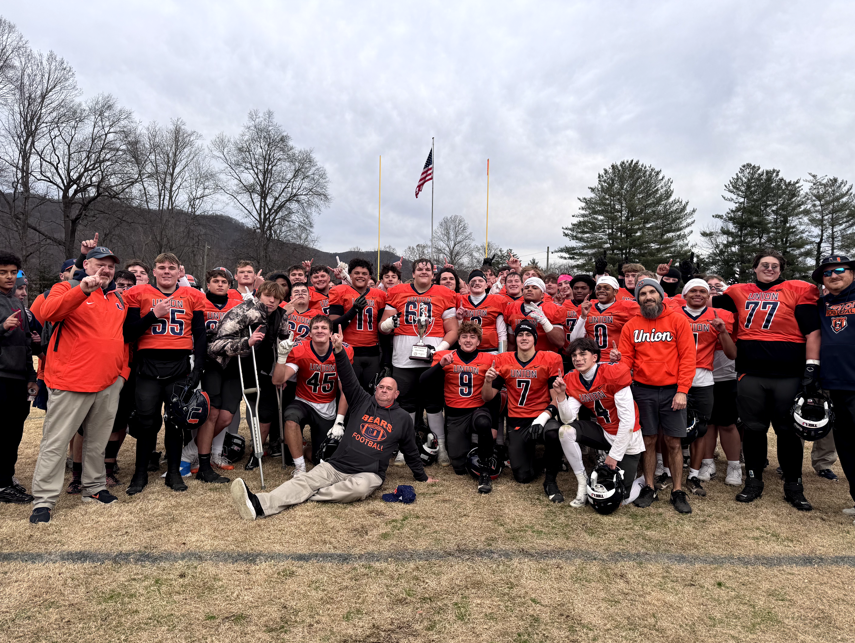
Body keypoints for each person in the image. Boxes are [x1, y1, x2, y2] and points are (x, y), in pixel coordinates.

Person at [230, 330, 436, 520]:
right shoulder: (362, 401)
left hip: (368, 474)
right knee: (304, 480)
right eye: (381, 386)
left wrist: (422, 477)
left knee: (359, 489)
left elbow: (410, 450)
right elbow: (348, 377)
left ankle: (307, 495)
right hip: (338, 465)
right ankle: (259, 504)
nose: (383, 390)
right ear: (376, 389)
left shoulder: (402, 418)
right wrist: (338, 350)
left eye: (389, 388)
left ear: (396, 394)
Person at [712, 250, 820, 510]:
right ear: (755, 268)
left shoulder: (797, 289)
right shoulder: (738, 291)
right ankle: (754, 480)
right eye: (764, 264)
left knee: (788, 431)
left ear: (781, 269)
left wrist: (812, 366)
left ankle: (793, 485)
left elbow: (813, 332)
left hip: (788, 374)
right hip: (751, 373)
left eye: (774, 265)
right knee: (753, 429)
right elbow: (702, 302)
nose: (769, 269)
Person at [29, 245, 128, 523]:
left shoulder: (117, 298)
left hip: (108, 382)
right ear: (87, 265)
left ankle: (94, 487)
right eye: (100, 264)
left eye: (110, 266)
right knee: (56, 442)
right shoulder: (66, 288)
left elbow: (119, 338)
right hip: (71, 381)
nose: (106, 270)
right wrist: (82, 290)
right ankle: (44, 499)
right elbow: (49, 312)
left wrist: (121, 374)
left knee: (97, 441)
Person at [122, 252, 208, 495]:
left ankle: (173, 472)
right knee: (146, 421)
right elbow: (128, 333)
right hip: (148, 365)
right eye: (162, 267)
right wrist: (153, 314)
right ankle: (140, 473)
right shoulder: (137, 294)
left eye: (171, 267)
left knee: (176, 421)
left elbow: (200, 335)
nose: (167, 271)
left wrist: (198, 368)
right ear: (154, 271)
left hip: (179, 365)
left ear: (179, 271)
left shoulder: (193, 295)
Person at [618, 278, 696, 513]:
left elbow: (688, 358)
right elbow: (626, 359)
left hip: (673, 390)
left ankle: (677, 490)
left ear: (661, 295)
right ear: (638, 299)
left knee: (674, 442)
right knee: (648, 440)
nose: (648, 297)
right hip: (643, 390)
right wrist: (619, 369)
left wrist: (682, 391)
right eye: (643, 294)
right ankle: (649, 486)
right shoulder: (631, 325)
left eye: (652, 292)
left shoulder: (678, 321)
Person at [380, 257, 458, 466]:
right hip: (404, 358)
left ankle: (440, 447)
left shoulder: (444, 294)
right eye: (419, 269)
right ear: (413, 273)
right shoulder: (397, 292)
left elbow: (453, 330)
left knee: (434, 404)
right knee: (406, 404)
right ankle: (404, 447)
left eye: (428, 269)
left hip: (433, 360)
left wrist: (438, 351)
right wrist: (388, 324)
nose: (424, 271)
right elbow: (382, 327)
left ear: (433, 274)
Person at [555, 337, 646, 507]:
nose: (578, 358)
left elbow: (628, 421)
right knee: (565, 431)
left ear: (595, 357)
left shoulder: (613, 373)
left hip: (628, 437)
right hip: (604, 432)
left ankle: (643, 481)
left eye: (583, 354)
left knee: (621, 499)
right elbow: (568, 419)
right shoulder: (573, 378)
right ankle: (582, 483)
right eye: (574, 355)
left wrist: (614, 455)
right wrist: (560, 396)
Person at [209, 281, 290, 470]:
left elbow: (283, 343)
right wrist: (246, 342)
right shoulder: (242, 311)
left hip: (263, 369)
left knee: (266, 412)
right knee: (225, 416)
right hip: (235, 367)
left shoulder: (281, 315)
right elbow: (215, 345)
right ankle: (197, 449)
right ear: (258, 295)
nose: (272, 300)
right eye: (268, 296)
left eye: (276, 298)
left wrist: (282, 372)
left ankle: (257, 453)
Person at [483, 320, 565, 501]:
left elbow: (557, 399)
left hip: (542, 417)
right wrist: (488, 381)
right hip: (517, 420)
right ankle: (543, 461)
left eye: (528, 334)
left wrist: (543, 418)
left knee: (554, 432)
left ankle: (550, 481)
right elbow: (487, 397)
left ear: (535, 338)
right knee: (522, 477)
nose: (524, 338)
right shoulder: (504, 360)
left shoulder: (550, 359)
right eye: (520, 334)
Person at [673, 279, 737, 497]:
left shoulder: (719, 316)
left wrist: (723, 332)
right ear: (684, 294)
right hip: (674, 376)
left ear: (709, 295)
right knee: (670, 426)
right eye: (693, 291)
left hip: (703, 377)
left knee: (701, 427)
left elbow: (731, 354)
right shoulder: (672, 314)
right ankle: (666, 468)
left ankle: (694, 471)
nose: (698, 294)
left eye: (703, 291)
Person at [419, 321, 499, 492]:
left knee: (484, 423)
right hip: (455, 415)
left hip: (478, 409)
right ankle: (473, 450)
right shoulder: (446, 356)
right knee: (458, 467)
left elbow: (496, 394)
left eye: (473, 337)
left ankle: (485, 469)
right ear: (459, 340)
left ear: (479, 341)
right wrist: (441, 365)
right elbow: (423, 381)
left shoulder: (489, 359)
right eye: (464, 337)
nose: (468, 340)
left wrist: (494, 425)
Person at [272, 315, 354, 472]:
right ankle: (300, 468)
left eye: (324, 328)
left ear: (331, 333)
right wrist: (281, 357)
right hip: (304, 401)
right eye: (315, 328)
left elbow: (346, 390)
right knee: (291, 418)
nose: (319, 331)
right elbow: (277, 380)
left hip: (327, 406)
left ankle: (304, 449)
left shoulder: (343, 350)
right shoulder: (301, 349)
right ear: (309, 333)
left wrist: (339, 421)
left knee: (321, 459)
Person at [812, 255, 855, 521]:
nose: (833, 275)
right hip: (834, 384)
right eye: (827, 273)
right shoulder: (822, 304)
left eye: (840, 270)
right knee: (847, 446)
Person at [193, 269, 244, 483]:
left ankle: (197, 450)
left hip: (232, 364)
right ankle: (203, 459)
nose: (220, 284)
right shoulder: (200, 302)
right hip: (210, 364)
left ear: (230, 285)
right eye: (216, 281)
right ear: (208, 283)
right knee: (211, 413)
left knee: (226, 417)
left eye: (224, 281)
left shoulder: (237, 305)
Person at [696, 274, 742, 487]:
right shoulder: (689, 312)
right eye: (709, 286)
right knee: (707, 423)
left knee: (728, 423)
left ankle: (734, 465)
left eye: (717, 286)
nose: (713, 289)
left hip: (725, 373)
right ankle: (707, 462)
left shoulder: (734, 311)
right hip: (701, 375)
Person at [0, 252, 38, 505]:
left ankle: (6, 478)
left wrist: (31, 376)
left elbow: (25, 344)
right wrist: (2, 327)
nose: (9, 277)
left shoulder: (18, 304)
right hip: (1, 376)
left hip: (18, 378)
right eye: (3, 272)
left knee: (14, 431)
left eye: (13, 272)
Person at [328, 258, 387, 391]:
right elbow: (333, 326)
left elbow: (382, 328)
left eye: (364, 273)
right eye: (357, 273)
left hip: (372, 353)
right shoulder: (339, 291)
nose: (360, 276)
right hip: (348, 351)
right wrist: (353, 311)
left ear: (369, 277)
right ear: (350, 275)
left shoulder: (380, 295)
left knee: (370, 392)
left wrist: (386, 359)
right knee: (347, 394)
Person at [102, 269, 138, 486]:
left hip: (130, 369)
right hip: (106, 369)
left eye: (129, 285)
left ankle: (109, 467)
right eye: (121, 284)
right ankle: (81, 469)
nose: (125, 289)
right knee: (93, 423)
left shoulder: (135, 306)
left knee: (119, 422)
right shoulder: (107, 304)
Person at [568, 276, 639, 354]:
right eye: (598, 288)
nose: (601, 291)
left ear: (615, 292)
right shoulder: (587, 307)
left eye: (606, 288)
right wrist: (583, 317)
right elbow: (574, 340)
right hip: (593, 357)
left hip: (616, 356)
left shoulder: (627, 307)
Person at [503, 277, 565, 353]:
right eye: (526, 288)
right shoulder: (512, 308)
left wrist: (545, 322)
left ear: (542, 294)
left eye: (535, 288)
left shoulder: (553, 309)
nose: (529, 289)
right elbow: (512, 343)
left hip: (545, 356)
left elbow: (559, 343)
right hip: (521, 356)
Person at [455, 269, 507, 354]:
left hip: (491, 350)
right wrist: (459, 319)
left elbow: (502, 332)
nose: (477, 283)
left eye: (480, 281)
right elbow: (456, 329)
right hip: (467, 349)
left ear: (486, 285)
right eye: (473, 281)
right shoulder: (459, 300)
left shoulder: (497, 300)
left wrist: (502, 354)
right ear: (468, 286)